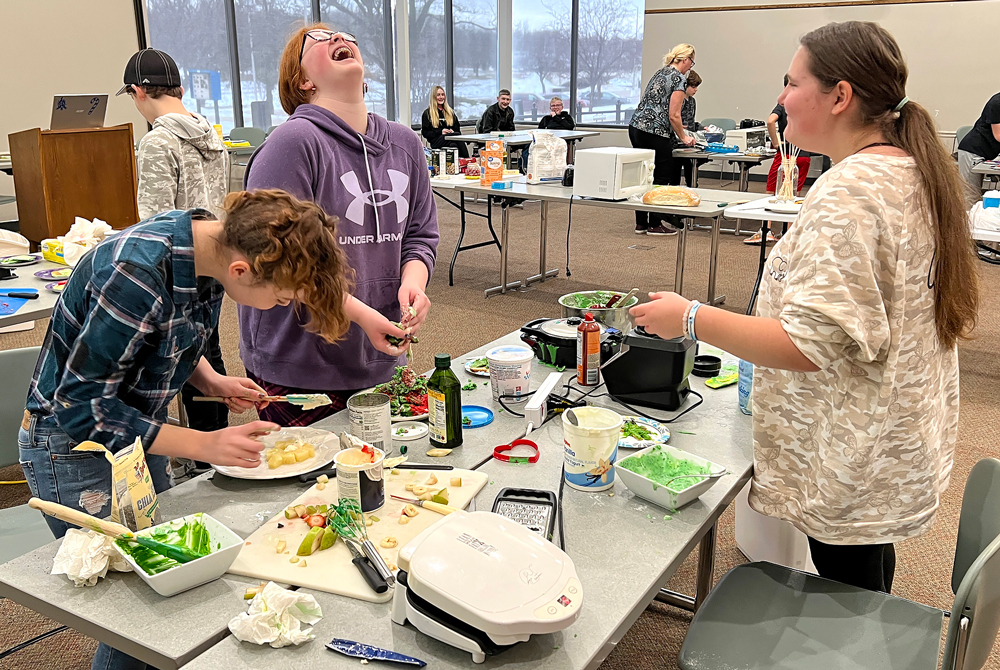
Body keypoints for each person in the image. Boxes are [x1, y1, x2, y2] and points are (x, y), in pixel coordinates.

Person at [630, 21, 978, 594]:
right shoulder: (909, 170)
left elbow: (806, 345)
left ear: (840, 96)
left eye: (792, 83)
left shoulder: (851, 193)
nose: (782, 98)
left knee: (851, 595)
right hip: (886, 440)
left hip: (854, 452)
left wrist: (691, 317)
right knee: (866, 579)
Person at [21, 189, 353, 670]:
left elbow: (165, 328)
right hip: (75, 447)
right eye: (280, 298)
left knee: (164, 583)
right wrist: (203, 443)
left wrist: (211, 380)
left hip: (138, 431)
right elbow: (83, 408)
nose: (281, 307)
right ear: (242, 271)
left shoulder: (209, 247)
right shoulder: (135, 272)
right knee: (135, 608)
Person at [240, 24, 439, 427]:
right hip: (299, 363)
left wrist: (413, 281)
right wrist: (362, 314)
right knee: (308, 485)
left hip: (377, 356)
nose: (339, 38)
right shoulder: (292, 143)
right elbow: (278, 262)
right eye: (319, 39)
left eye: (348, 35)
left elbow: (419, 234)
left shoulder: (405, 144)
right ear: (302, 81)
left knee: (380, 477)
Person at [118, 48, 232, 474]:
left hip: (173, 268)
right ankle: (210, 451)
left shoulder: (157, 141)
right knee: (206, 353)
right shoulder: (214, 137)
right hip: (213, 264)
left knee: (170, 359)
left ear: (138, 92)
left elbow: (154, 222)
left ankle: (183, 453)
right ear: (180, 90)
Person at [628, 43, 696, 235]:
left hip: (636, 127)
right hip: (655, 131)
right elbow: (674, 115)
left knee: (643, 175)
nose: (691, 65)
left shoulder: (660, 73)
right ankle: (655, 224)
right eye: (691, 61)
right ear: (684, 59)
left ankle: (641, 223)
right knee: (660, 177)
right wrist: (684, 137)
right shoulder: (679, 79)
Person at [744, 75, 815, 245]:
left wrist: (776, 142)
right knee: (794, 195)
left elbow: (770, 121)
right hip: (804, 155)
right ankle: (789, 234)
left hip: (786, 154)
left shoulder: (784, 103)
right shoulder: (807, 104)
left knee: (772, 192)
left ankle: (766, 230)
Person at [957, 91, 1000, 200]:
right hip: (972, 151)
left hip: (987, 152)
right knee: (970, 196)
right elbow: (998, 135)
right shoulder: (997, 103)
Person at [421, 85, 468, 158]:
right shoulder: (427, 113)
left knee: (453, 145)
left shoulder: (450, 112)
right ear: (434, 97)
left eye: (442, 95)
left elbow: (457, 130)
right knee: (456, 137)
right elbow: (425, 133)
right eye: (438, 95)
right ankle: (467, 159)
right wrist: (441, 132)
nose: (441, 97)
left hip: (451, 138)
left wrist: (452, 131)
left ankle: (458, 166)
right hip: (437, 141)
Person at [679, 70, 707, 188]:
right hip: (677, 141)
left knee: (691, 169)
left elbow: (691, 123)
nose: (695, 90)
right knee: (674, 170)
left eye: (697, 87)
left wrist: (702, 127)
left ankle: (692, 188)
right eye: (693, 86)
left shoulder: (692, 101)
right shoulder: (678, 100)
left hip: (689, 142)